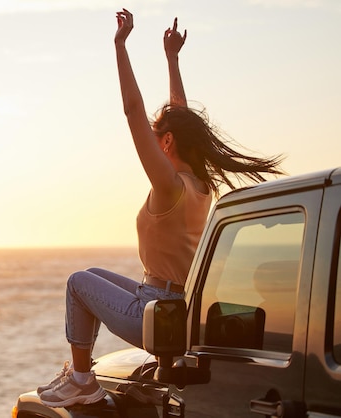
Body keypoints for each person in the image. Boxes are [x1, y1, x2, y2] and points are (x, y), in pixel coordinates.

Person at [37, 9, 284, 408]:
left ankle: (82, 378)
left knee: (77, 283)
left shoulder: (169, 188)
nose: (151, 141)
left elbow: (133, 112)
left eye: (157, 136)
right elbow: (179, 114)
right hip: (173, 303)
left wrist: (120, 47)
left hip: (153, 314)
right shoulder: (199, 185)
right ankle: (80, 375)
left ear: (167, 143)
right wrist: (172, 59)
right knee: (93, 274)